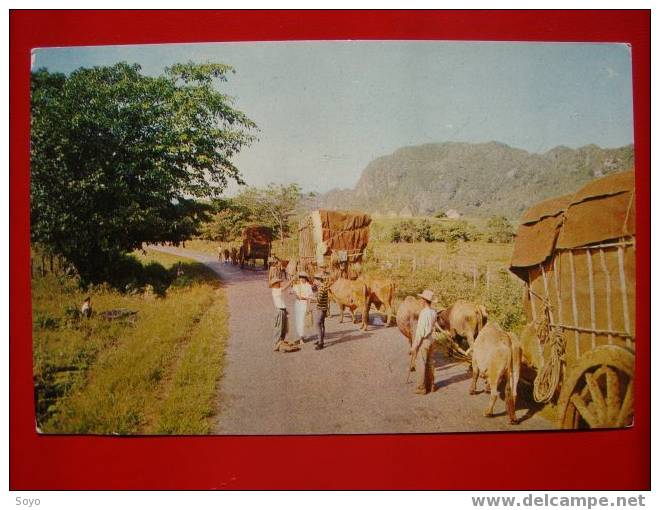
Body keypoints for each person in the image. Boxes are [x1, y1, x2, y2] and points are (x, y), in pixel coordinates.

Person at [410, 289, 438, 395]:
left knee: (421, 363)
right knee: (431, 362)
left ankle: (421, 388)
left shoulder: (424, 313)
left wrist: (414, 346)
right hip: (432, 339)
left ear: (424, 300)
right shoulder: (433, 312)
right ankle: (431, 385)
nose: (420, 301)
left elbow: (420, 331)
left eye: (421, 299)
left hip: (425, 340)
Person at [292, 271, 313, 346]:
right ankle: (300, 336)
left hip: (304, 303)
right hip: (298, 303)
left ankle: (301, 337)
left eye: (303, 277)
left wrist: (308, 307)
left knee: (302, 320)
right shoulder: (297, 285)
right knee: (298, 320)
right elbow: (291, 291)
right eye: (300, 277)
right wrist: (295, 294)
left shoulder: (308, 286)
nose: (301, 279)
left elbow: (310, 298)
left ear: (305, 278)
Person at [271, 277, 292, 351]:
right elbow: (285, 288)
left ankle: (281, 341)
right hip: (279, 311)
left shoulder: (277, 290)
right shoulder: (275, 290)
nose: (279, 284)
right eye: (278, 283)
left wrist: (286, 310)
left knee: (284, 327)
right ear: (275, 284)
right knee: (279, 327)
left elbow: (282, 302)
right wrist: (292, 280)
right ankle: (276, 343)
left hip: (282, 310)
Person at [312, 272, 330, 350]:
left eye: (315, 280)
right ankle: (320, 339)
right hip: (323, 308)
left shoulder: (322, 288)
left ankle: (320, 343)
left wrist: (309, 297)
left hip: (321, 308)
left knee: (317, 324)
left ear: (318, 280)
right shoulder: (322, 287)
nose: (314, 282)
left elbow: (318, 300)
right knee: (321, 324)